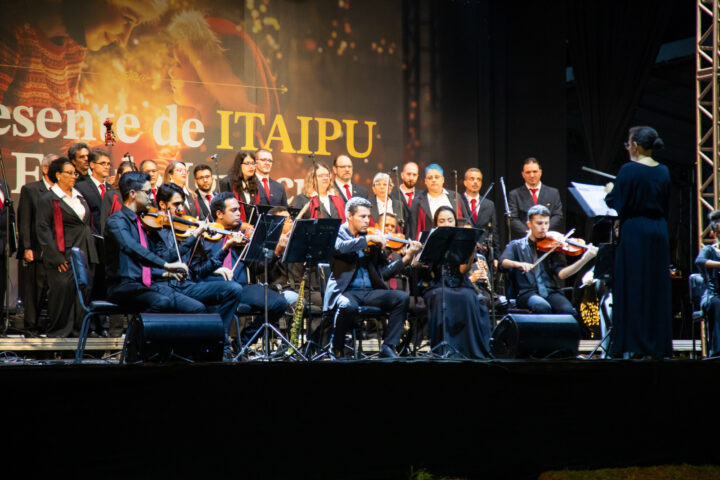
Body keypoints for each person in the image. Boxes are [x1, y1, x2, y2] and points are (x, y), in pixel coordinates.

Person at [323, 197, 422, 359]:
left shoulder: (371, 239)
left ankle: (388, 346)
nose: (367, 221)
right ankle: (337, 347)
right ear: (349, 215)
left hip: (369, 293)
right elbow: (340, 248)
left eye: (368, 217)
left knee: (401, 298)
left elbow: (384, 272)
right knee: (347, 306)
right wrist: (367, 240)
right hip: (345, 292)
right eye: (362, 217)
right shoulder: (339, 234)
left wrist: (407, 257)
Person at [154, 183, 244, 357]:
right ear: (163, 205)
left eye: (182, 204)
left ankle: (219, 336)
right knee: (203, 306)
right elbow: (168, 258)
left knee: (233, 289)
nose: (181, 210)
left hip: (189, 284)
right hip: (169, 285)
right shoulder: (158, 231)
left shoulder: (186, 229)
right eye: (175, 205)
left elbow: (198, 271)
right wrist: (194, 235)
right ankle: (220, 344)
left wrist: (225, 248)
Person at [188, 192, 289, 348]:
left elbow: (257, 267)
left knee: (279, 303)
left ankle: (244, 343)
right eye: (233, 210)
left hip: (241, 287)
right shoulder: (204, 237)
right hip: (213, 288)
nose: (238, 214)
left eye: (238, 210)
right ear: (219, 214)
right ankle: (220, 345)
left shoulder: (242, 235)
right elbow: (197, 271)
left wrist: (276, 252)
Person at [605, 126, 672, 359]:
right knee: (655, 287)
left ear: (634, 145)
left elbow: (616, 202)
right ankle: (656, 344)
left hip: (635, 231)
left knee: (633, 285)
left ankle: (633, 343)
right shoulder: (664, 171)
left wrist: (610, 189)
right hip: (658, 230)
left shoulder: (629, 169)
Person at [103, 171, 205, 317]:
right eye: (147, 192)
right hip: (123, 287)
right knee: (162, 302)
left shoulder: (143, 223)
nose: (151, 197)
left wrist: (167, 272)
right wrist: (165, 265)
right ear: (133, 193)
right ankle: (136, 338)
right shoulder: (116, 221)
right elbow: (131, 247)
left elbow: (159, 256)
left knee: (197, 308)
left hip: (146, 285)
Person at [412, 206, 492, 358]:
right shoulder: (430, 238)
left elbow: (462, 270)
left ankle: (466, 349)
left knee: (469, 297)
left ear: (455, 222)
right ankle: (444, 348)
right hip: (435, 283)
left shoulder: (460, 239)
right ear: (436, 224)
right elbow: (416, 265)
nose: (447, 223)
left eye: (450, 220)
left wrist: (472, 250)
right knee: (442, 296)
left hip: (459, 283)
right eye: (442, 221)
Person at [36, 157, 97, 337]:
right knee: (62, 292)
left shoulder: (79, 196)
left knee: (83, 292)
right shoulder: (49, 198)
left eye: (74, 173)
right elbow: (43, 229)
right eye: (69, 173)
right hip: (64, 253)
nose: (73, 177)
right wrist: (56, 257)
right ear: (58, 175)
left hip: (84, 250)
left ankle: (79, 332)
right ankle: (60, 334)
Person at [500, 205, 597, 315]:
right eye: (539, 223)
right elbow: (502, 263)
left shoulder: (554, 246)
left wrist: (583, 260)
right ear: (529, 224)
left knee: (567, 310)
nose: (544, 228)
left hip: (550, 291)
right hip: (527, 293)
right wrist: (518, 264)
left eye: (546, 223)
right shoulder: (516, 245)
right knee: (542, 307)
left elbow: (562, 274)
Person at [17, 153, 55, 334]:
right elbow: (24, 220)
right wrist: (26, 247)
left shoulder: (65, 192)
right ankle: (31, 328)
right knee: (35, 292)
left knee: (54, 292)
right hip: (37, 249)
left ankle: (51, 328)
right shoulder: (31, 189)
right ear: (45, 169)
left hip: (57, 251)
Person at [508, 158, 563, 239]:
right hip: (525, 239)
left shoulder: (553, 193)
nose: (532, 175)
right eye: (528, 172)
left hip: (547, 238)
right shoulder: (514, 194)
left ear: (540, 172)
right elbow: (513, 219)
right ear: (523, 174)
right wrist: (529, 232)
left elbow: (558, 215)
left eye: (535, 171)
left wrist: (543, 230)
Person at [409, 163, 467, 240]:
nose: (433, 180)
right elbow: (413, 229)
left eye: (436, 177)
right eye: (430, 178)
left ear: (443, 179)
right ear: (425, 181)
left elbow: (466, 222)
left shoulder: (455, 197)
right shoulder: (417, 201)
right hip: (428, 244)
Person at [695, 210, 720, 357]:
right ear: (715, 234)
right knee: (716, 304)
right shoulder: (709, 250)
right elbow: (700, 261)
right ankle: (717, 351)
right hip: (713, 294)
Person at [461, 168, 499, 261]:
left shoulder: (489, 204)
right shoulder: (458, 201)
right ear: (465, 182)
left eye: (478, 179)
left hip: (483, 254)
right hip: (463, 253)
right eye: (472, 179)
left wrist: (496, 257)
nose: (475, 182)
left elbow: (494, 231)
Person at [75, 147, 112, 235]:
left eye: (108, 164)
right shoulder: (81, 187)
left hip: (110, 239)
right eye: (102, 163)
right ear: (92, 165)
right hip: (91, 237)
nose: (106, 167)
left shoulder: (111, 189)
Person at [101, 161, 136, 233]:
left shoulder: (140, 196)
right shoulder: (111, 196)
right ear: (120, 175)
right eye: (128, 173)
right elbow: (104, 224)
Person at [389, 161, 419, 235]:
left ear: (417, 176)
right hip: (398, 239)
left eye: (414, 175)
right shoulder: (392, 195)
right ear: (402, 175)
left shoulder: (422, 196)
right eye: (408, 174)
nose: (411, 178)